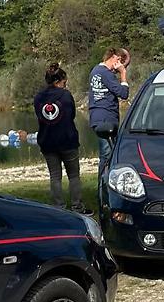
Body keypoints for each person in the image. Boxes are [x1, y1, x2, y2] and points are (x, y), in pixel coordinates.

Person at [34, 62, 84, 211]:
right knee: (74, 175)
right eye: (64, 82)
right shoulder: (66, 95)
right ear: (57, 81)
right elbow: (72, 115)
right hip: (67, 141)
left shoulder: (39, 97)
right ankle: (77, 206)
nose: (65, 85)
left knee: (55, 176)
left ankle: (58, 207)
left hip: (47, 142)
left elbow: (40, 116)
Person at [88, 46, 129, 174]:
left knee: (106, 155)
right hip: (106, 119)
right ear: (115, 58)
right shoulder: (106, 73)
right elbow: (123, 93)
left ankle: (104, 186)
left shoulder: (95, 71)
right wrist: (123, 74)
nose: (121, 66)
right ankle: (104, 189)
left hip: (97, 117)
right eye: (122, 62)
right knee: (107, 156)